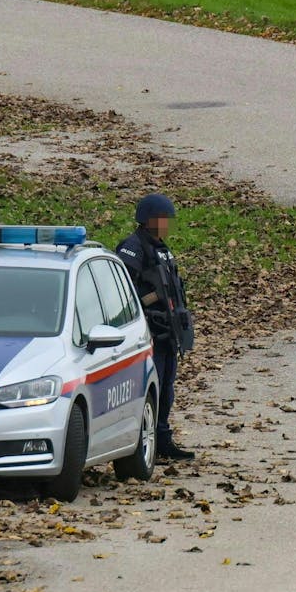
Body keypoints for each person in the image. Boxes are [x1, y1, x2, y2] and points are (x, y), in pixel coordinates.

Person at [117, 193, 196, 461]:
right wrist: (153, 300)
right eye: (163, 220)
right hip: (147, 331)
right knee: (153, 387)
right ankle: (143, 440)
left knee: (167, 387)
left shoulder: (162, 249)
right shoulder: (132, 248)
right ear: (149, 220)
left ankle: (162, 438)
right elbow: (125, 293)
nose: (166, 226)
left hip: (167, 331)